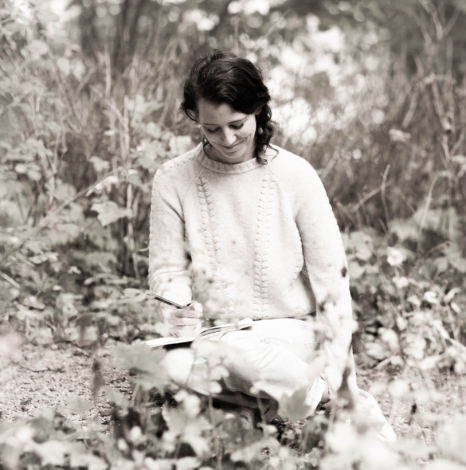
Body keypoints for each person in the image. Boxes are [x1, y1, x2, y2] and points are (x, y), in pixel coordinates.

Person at [148, 49, 395, 440]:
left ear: (258, 110)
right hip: (215, 335)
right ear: (196, 119)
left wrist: (338, 370)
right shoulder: (172, 179)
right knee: (166, 362)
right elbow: (167, 271)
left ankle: (325, 397)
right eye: (212, 129)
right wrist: (177, 313)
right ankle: (273, 404)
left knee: (233, 353)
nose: (227, 139)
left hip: (292, 334)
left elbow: (332, 281)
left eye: (237, 124)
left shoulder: (295, 174)